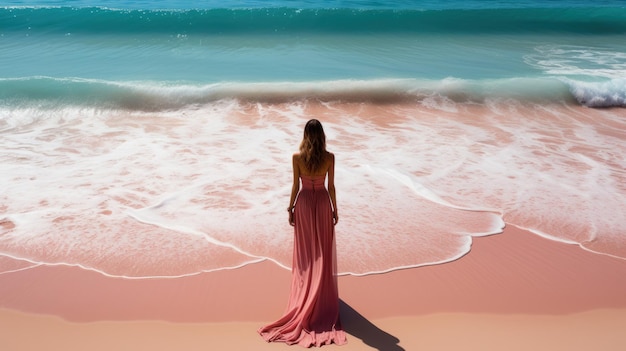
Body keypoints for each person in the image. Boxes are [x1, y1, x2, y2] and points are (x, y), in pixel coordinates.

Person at [258, 119, 347, 347]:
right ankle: (319, 293)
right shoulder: (330, 157)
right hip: (324, 203)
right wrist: (336, 209)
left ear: (306, 135)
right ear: (322, 135)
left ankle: (308, 291)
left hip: (305, 203)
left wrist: (291, 208)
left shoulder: (297, 157)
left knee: (307, 253)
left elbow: (295, 187)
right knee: (322, 251)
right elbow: (332, 186)